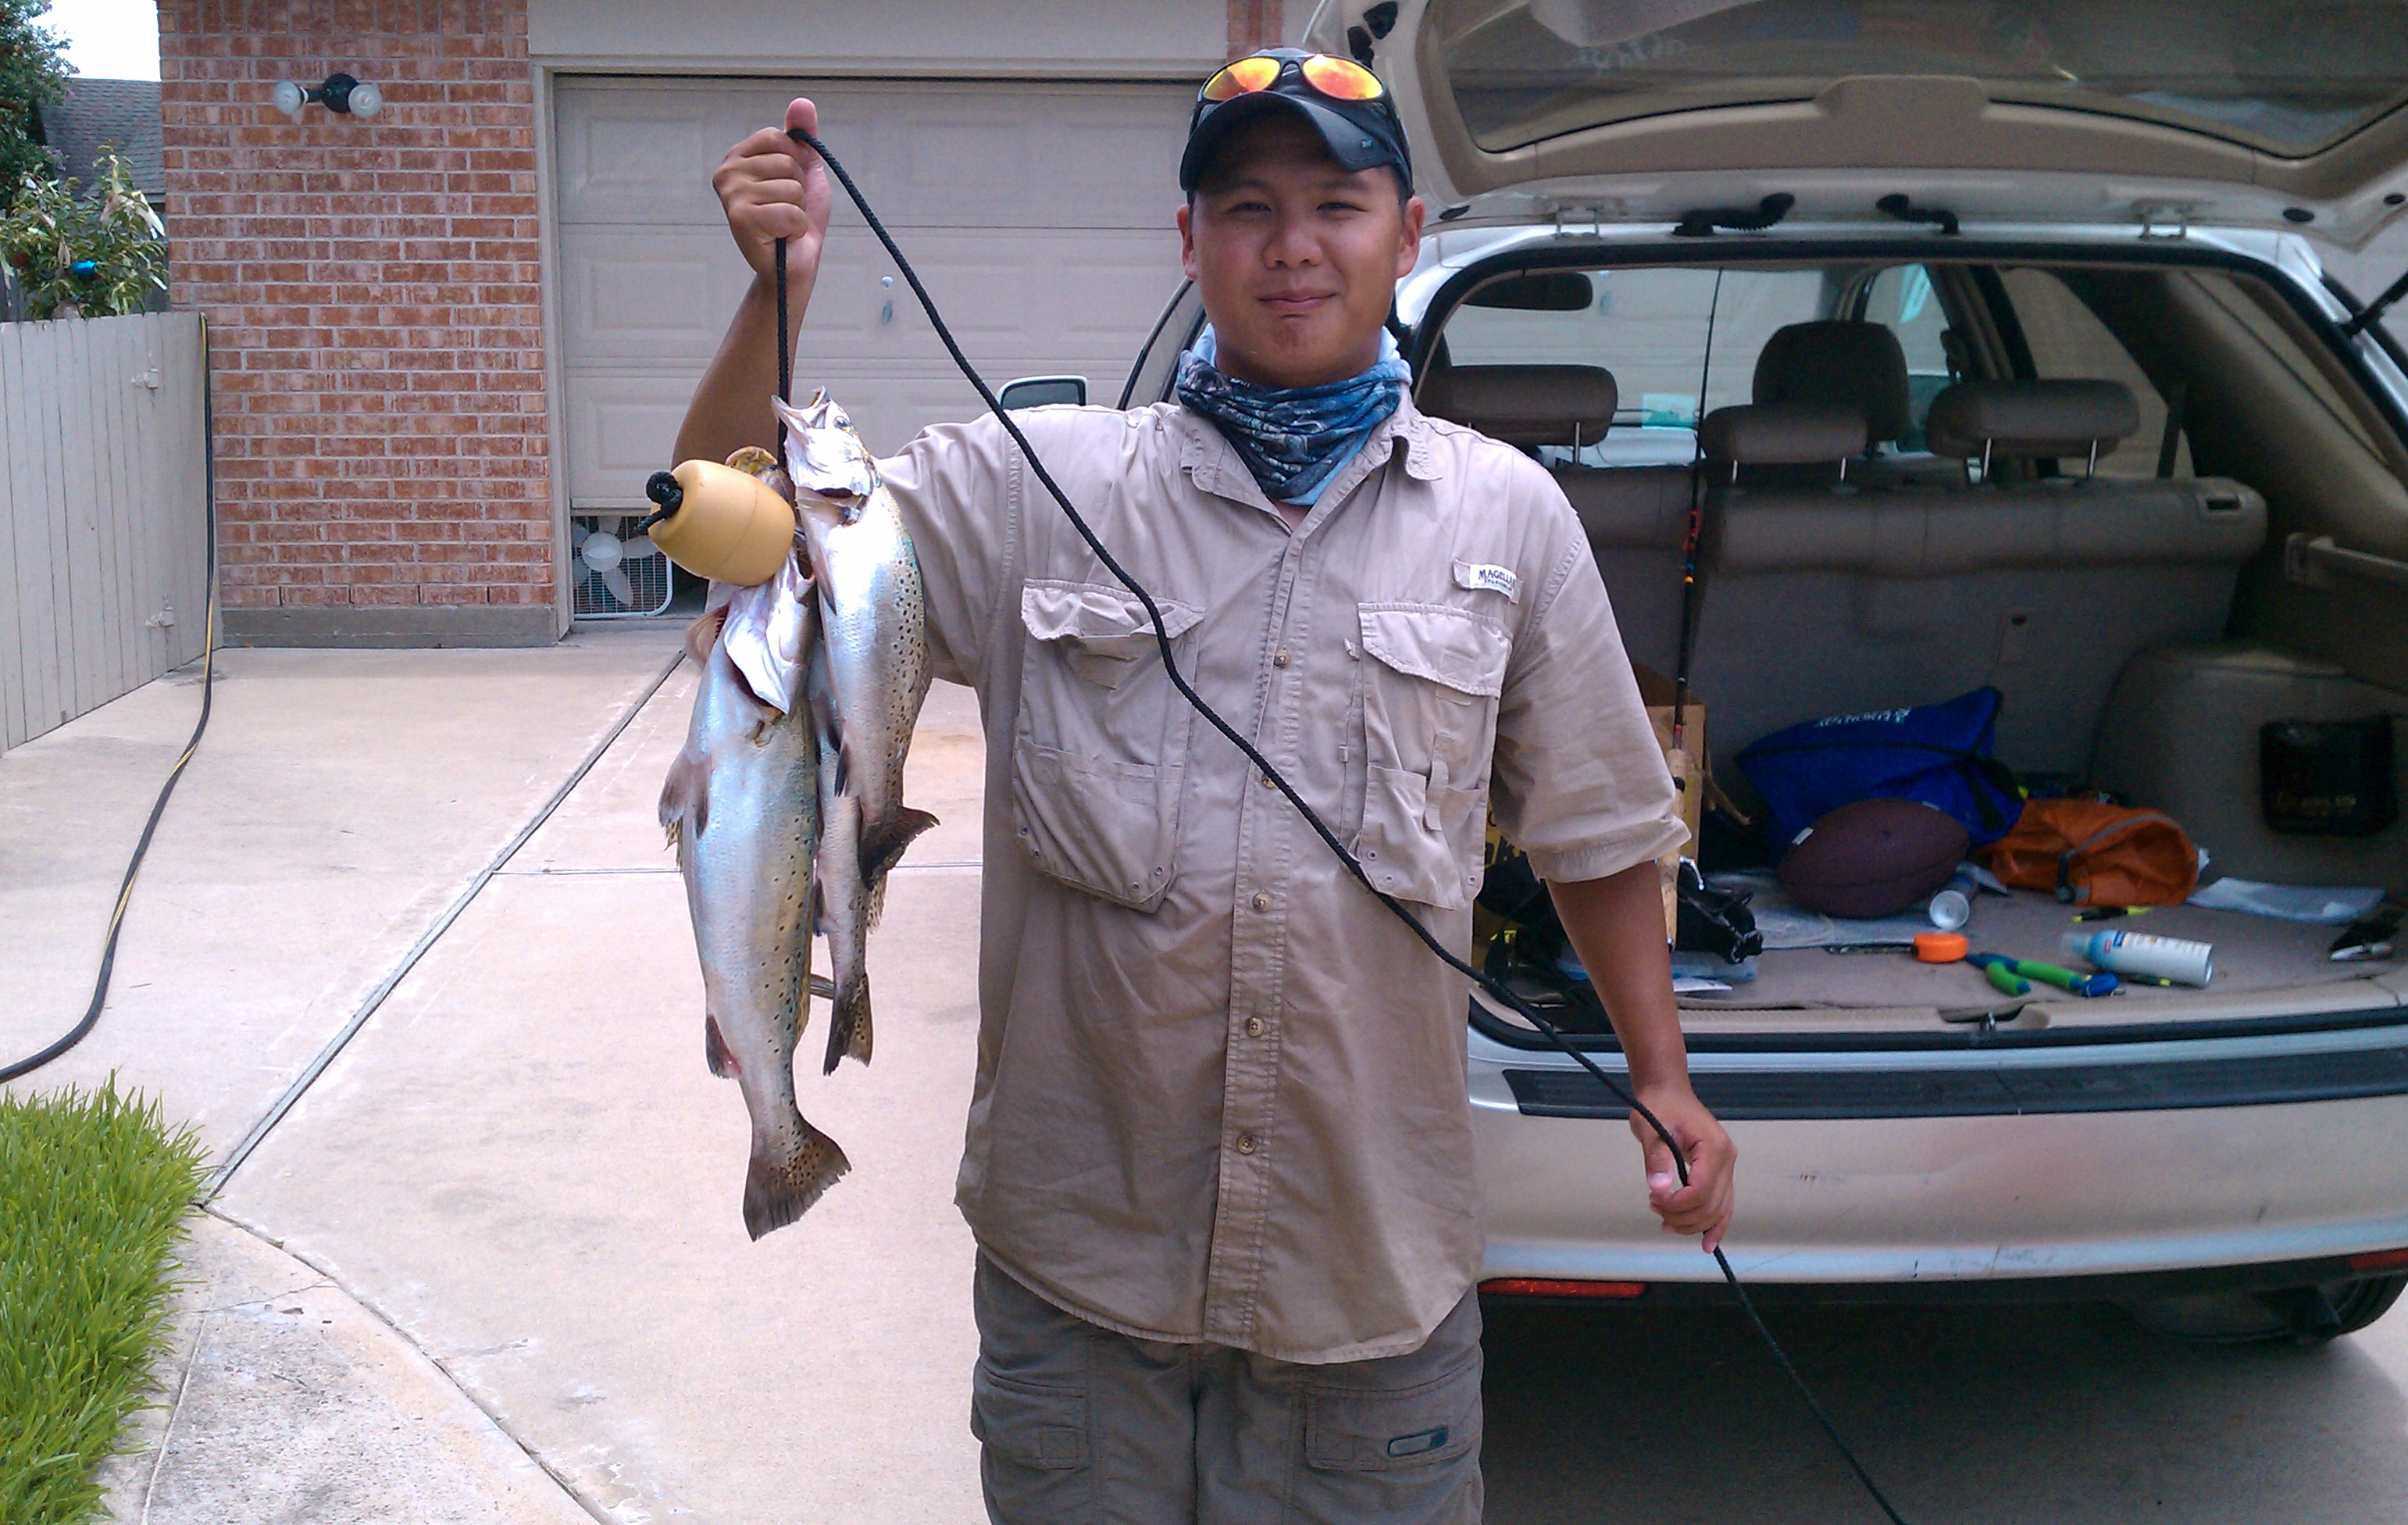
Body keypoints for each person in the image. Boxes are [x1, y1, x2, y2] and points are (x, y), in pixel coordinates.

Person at [675, 51, 1736, 1524]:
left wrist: (1662, 1076)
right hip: (1080, 1276)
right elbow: (736, 537)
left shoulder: (1511, 519)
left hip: (1366, 1288)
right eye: (1246, 207)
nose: (1292, 245)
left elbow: (1600, 831)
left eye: (1335, 206)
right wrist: (775, 295)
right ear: (1189, 241)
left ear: (1408, 237)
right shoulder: (1032, 487)